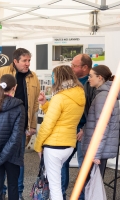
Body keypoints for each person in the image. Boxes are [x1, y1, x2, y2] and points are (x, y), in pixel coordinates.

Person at [0, 48, 40, 200]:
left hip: (19, 125)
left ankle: (18, 193)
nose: (27, 64)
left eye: (29, 61)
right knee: (10, 161)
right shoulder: (1, 72)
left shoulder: (33, 77)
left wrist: (32, 125)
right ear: (15, 61)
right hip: (0, 124)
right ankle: (4, 192)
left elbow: (34, 106)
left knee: (15, 163)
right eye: (24, 61)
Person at [34, 65, 86, 200]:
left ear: (58, 78)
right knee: (56, 183)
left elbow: (48, 124)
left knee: (55, 187)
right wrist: (45, 104)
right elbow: (63, 116)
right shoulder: (79, 94)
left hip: (54, 146)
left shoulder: (60, 97)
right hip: (68, 144)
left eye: (53, 76)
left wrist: (38, 145)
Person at [61, 54, 95, 200]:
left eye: (74, 65)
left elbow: (96, 111)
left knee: (83, 166)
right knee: (62, 162)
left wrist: (85, 128)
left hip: (84, 131)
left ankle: (81, 197)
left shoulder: (93, 83)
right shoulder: (69, 81)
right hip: (69, 128)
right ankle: (59, 194)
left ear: (85, 68)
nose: (71, 67)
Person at [81, 65, 119, 177]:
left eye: (91, 76)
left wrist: (96, 154)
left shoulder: (103, 96)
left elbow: (102, 127)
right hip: (100, 148)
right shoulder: (106, 93)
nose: (88, 78)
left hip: (97, 150)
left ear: (100, 78)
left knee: (92, 184)